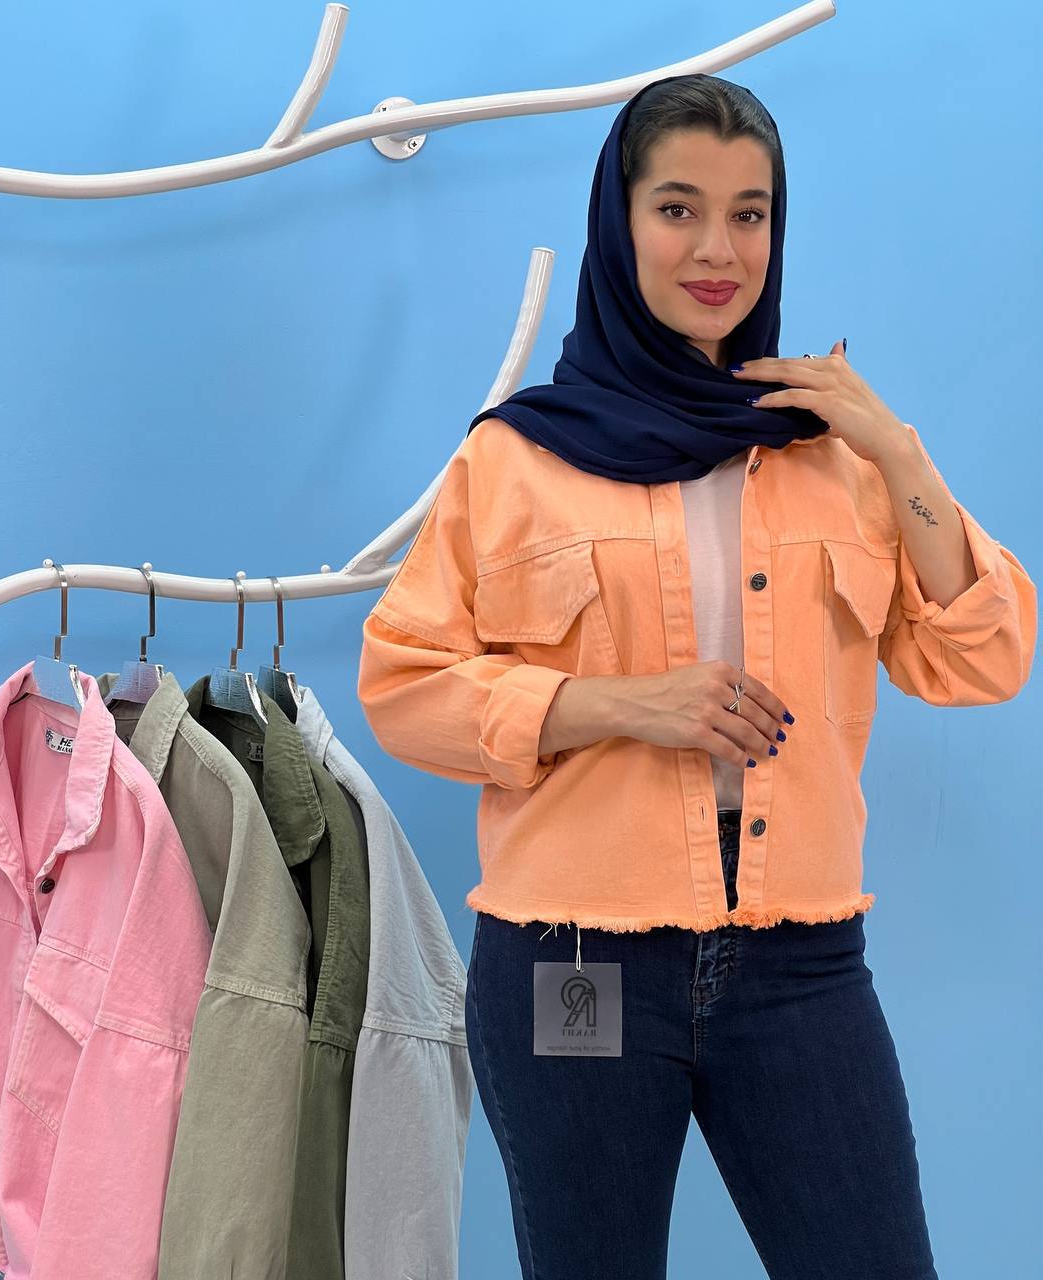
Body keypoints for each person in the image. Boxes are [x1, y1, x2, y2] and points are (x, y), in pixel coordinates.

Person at [357, 72, 1036, 1280]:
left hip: (800, 959)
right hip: (577, 954)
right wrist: (616, 704)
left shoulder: (834, 456)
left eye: (749, 213)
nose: (719, 250)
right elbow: (402, 684)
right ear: (618, 221)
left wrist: (898, 447)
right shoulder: (516, 458)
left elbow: (982, 654)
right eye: (678, 208)